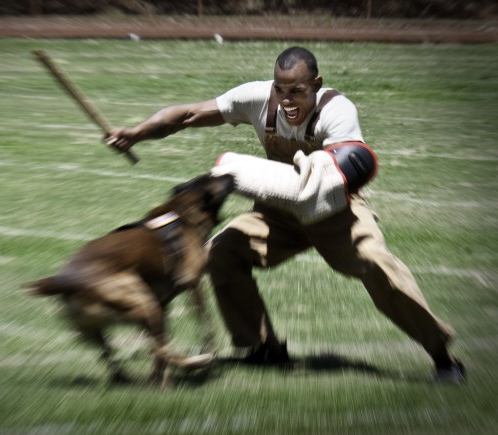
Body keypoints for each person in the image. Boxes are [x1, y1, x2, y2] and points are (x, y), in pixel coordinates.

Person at [104, 46, 465, 383]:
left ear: (316, 85)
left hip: (337, 210)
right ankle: (263, 349)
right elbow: (187, 114)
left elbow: (349, 163)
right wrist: (136, 134)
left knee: (375, 263)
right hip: (279, 213)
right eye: (281, 91)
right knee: (221, 253)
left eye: (298, 91)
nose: (288, 100)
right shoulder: (258, 98)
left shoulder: (337, 110)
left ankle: (442, 357)